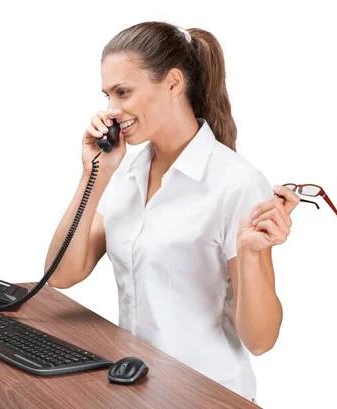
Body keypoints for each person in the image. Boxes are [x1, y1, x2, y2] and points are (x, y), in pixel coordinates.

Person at [44, 21, 300, 403]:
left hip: (206, 396)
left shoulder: (235, 183)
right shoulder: (129, 171)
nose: (112, 111)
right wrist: (93, 173)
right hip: (137, 390)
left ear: (174, 83)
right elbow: (62, 274)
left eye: (124, 93)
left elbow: (261, 341)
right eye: (108, 96)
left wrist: (250, 253)